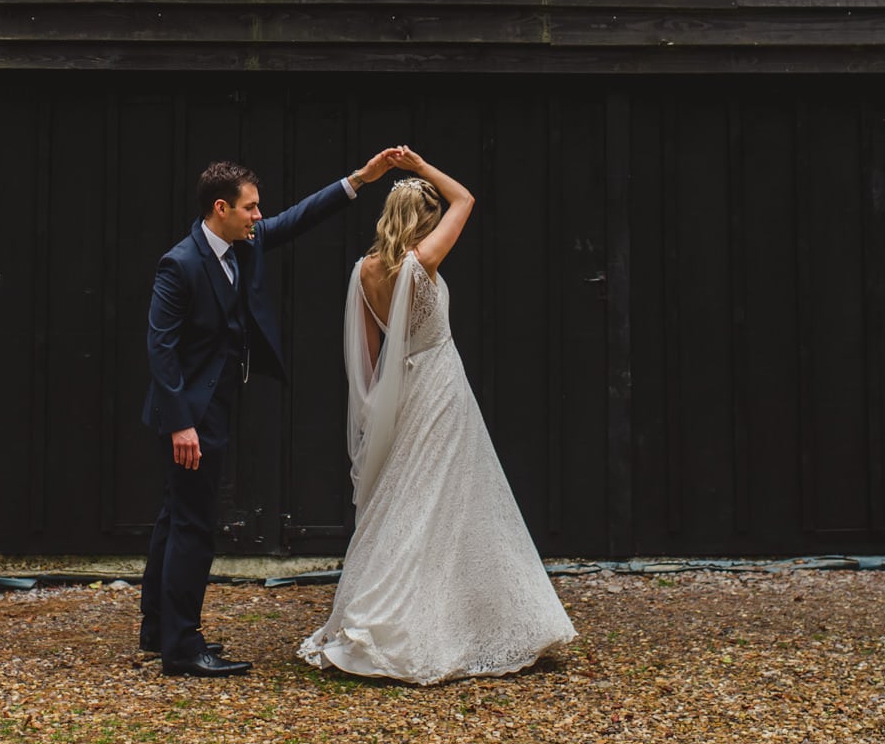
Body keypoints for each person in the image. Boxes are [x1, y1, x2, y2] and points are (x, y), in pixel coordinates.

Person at [299, 149, 576, 684]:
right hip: (441, 386)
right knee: (448, 496)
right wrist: (422, 167)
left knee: (404, 496)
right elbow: (466, 197)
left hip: (398, 391)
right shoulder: (421, 263)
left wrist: (380, 408)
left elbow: (371, 354)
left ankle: (382, 610)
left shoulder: (364, 272)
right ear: (425, 223)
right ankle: (437, 619)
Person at [141, 150, 399, 677]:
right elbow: (160, 348)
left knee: (175, 516)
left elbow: (299, 217)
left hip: (215, 402)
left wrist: (359, 180)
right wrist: (181, 422)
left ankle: (156, 627)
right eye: (251, 208)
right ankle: (183, 647)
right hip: (192, 412)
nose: (260, 216)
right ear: (221, 208)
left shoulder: (244, 243)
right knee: (193, 524)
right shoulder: (181, 264)